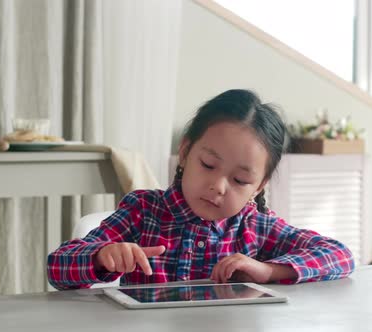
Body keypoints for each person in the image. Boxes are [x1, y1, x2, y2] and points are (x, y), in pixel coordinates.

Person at [47, 89, 355, 290]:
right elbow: (57, 266)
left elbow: (340, 256)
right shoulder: (143, 212)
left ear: (258, 186)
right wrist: (102, 256)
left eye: (240, 181)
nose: (218, 186)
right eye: (208, 165)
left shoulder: (256, 226)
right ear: (185, 153)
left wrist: (268, 270)